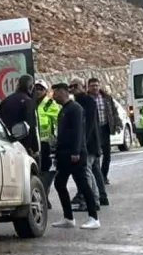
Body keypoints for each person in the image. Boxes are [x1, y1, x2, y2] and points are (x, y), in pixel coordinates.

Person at [51, 83, 100, 229]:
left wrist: (76, 152)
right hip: (64, 154)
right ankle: (68, 217)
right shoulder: (64, 110)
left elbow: (79, 132)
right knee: (59, 183)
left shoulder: (75, 109)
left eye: (55, 93)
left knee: (83, 184)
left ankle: (94, 217)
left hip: (75, 155)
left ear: (62, 92)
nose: (53, 97)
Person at [69, 78, 109, 209]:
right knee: (95, 170)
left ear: (83, 86)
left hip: (89, 143)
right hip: (90, 142)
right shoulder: (80, 101)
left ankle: (93, 201)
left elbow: (89, 124)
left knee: (87, 170)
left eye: (76, 85)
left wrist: (82, 143)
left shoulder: (87, 101)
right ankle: (100, 197)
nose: (73, 88)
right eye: (71, 86)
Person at [87, 78, 122, 184]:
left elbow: (114, 111)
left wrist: (117, 124)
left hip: (105, 128)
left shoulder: (106, 98)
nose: (95, 87)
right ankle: (97, 177)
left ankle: (104, 176)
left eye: (96, 85)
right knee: (96, 153)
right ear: (88, 87)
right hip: (93, 130)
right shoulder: (87, 99)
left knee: (107, 154)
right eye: (92, 85)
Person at [0, 74, 41, 157]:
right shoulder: (28, 102)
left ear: (18, 85)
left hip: (5, 142)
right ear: (31, 87)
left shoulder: (5, 101)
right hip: (23, 145)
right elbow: (31, 126)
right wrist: (35, 148)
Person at [33, 79, 59, 201]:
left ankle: (45, 196)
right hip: (34, 143)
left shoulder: (49, 103)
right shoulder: (30, 102)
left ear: (45, 91)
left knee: (46, 171)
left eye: (41, 89)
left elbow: (58, 121)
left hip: (46, 143)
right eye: (36, 88)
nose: (38, 91)